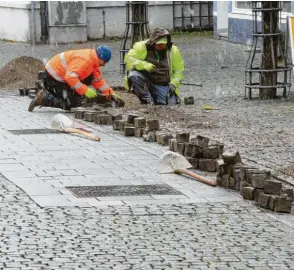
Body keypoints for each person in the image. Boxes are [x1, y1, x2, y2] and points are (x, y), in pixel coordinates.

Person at [28, 45, 124, 112]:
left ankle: (75, 96)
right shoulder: (85, 61)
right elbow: (70, 77)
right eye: (105, 62)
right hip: (52, 78)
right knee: (71, 103)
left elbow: (98, 81)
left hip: (61, 77)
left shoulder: (92, 60)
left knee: (82, 92)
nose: (105, 65)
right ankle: (45, 98)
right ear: (101, 58)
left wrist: (110, 93)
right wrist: (85, 90)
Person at [124, 28, 184, 105]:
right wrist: (143, 65)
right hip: (146, 81)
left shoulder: (174, 51)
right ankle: (147, 100)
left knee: (170, 104)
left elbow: (179, 71)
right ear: (153, 42)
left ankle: (157, 99)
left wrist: (173, 84)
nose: (161, 46)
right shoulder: (141, 47)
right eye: (159, 44)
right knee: (133, 75)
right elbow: (128, 59)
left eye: (163, 44)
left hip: (162, 84)